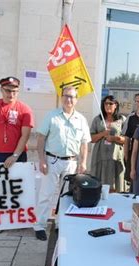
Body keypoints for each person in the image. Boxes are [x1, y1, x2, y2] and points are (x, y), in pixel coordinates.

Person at [33, 86, 91, 241]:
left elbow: (85, 143)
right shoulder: (52, 116)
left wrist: (83, 162)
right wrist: (42, 159)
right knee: (46, 193)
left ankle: (60, 223)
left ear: (76, 99)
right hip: (52, 160)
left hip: (71, 163)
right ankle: (39, 225)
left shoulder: (81, 119)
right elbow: (40, 138)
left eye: (72, 97)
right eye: (66, 96)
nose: (69, 99)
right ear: (61, 97)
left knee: (66, 196)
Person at [0, 76, 33, 167]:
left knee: (18, 181)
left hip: (18, 154)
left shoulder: (25, 109)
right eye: (8, 91)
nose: (11, 94)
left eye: (14, 91)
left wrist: (15, 155)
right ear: (1, 90)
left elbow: (25, 135)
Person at [90, 95, 126, 192]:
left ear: (116, 105)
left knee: (114, 185)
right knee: (98, 184)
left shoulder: (122, 119)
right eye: (105, 103)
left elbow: (127, 140)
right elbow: (91, 139)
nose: (108, 105)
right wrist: (102, 134)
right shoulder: (98, 119)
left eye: (110, 103)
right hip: (100, 156)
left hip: (115, 156)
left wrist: (113, 138)